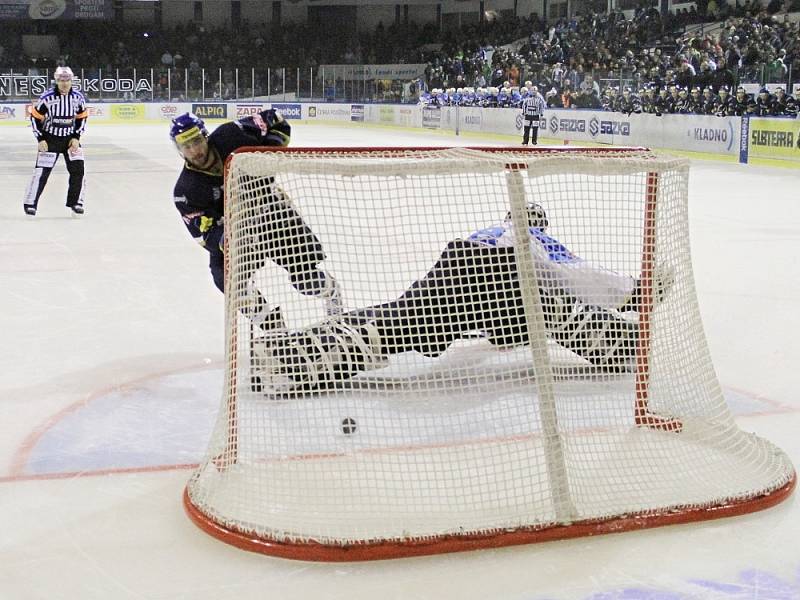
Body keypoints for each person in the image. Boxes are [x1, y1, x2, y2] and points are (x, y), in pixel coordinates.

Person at [253, 203, 674, 394]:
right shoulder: (529, 235)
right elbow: (571, 272)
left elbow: (502, 330)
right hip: (497, 275)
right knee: (558, 309)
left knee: (393, 323)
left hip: (453, 265)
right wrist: (632, 293)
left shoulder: (488, 229)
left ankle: (287, 357)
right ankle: (623, 345)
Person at [169, 111, 341, 316]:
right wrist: (229, 239)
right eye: (186, 146)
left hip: (273, 214)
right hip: (238, 235)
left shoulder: (230, 135)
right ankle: (274, 329)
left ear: (205, 135)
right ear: (179, 150)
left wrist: (270, 153)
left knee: (305, 277)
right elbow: (204, 236)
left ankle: (332, 294)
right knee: (230, 283)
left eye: (197, 141)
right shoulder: (186, 191)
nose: (194, 150)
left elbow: (275, 118)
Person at [23, 66, 87, 217]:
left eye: (67, 80)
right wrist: (40, 138)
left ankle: (76, 202)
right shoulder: (47, 98)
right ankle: (30, 204)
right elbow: (34, 117)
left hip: (70, 139)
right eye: (61, 80)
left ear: (72, 81)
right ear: (56, 81)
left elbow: (82, 117)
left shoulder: (78, 97)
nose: (65, 83)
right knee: (41, 172)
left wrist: (77, 137)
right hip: (50, 139)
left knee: (78, 170)